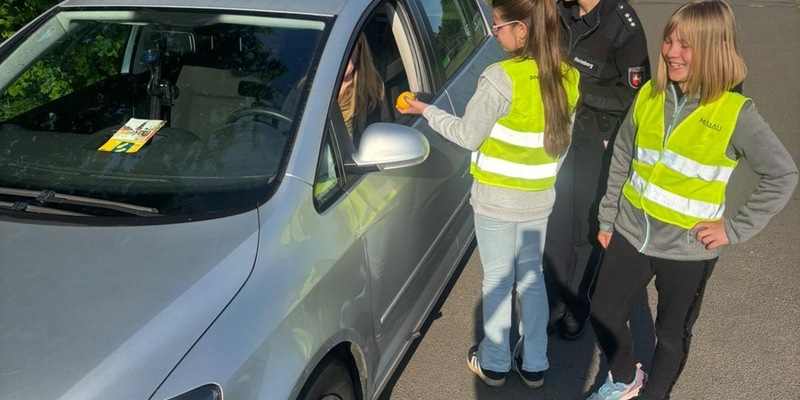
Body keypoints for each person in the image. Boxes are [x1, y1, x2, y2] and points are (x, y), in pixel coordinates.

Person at [585, 1, 798, 399]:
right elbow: (623, 154)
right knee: (603, 310)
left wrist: (733, 229)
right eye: (669, 40)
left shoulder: (736, 113)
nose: (671, 52)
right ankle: (626, 378)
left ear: (715, 49)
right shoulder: (651, 93)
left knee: (670, 336)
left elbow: (782, 174)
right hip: (631, 230)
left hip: (687, 249)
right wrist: (608, 216)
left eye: (687, 45)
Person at [398, 0, 580, 389]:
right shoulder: (567, 77)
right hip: (538, 198)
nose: (494, 34)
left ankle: (495, 363)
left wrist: (426, 110)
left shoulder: (500, 77)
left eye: (498, 26)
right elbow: (562, 145)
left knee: (498, 278)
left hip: (496, 200)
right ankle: (534, 363)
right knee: (531, 278)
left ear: (522, 29)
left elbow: (468, 135)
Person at [544, 0, 650, 341]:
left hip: (596, 135)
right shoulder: (557, 11)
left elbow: (634, 96)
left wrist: (578, 91)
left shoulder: (624, 27)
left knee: (586, 227)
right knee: (555, 221)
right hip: (556, 129)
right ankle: (551, 299)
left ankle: (577, 304)